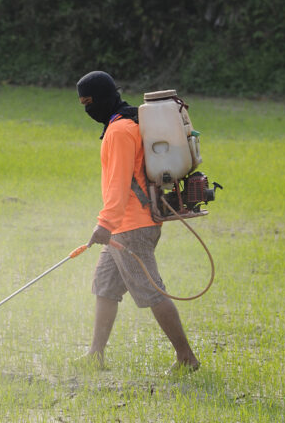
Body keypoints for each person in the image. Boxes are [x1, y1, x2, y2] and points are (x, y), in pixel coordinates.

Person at [76, 70, 200, 373]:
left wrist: (104, 224)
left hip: (130, 226)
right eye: (82, 104)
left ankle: (186, 357)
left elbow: (119, 184)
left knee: (150, 292)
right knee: (105, 286)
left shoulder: (119, 131)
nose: (87, 109)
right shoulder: (128, 121)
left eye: (89, 102)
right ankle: (96, 354)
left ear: (104, 97)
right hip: (126, 224)